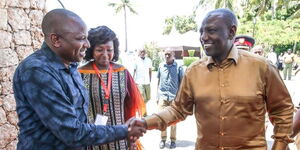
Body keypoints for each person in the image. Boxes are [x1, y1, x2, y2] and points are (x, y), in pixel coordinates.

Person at [133, 8, 294, 150]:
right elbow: (177, 110)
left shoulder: (262, 67)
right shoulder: (194, 72)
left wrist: (280, 146)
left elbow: (283, 111)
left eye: (211, 30)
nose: (203, 37)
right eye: (201, 32)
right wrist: (146, 122)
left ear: (232, 31)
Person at [13, 9, 145, 150]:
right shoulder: (37, 71)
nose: (88, 44)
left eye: (87, 38)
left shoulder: (71, 66)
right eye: (81, 38)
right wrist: (125, 130)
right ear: (56, 40)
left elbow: (80, 119)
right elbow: (72, 132)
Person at [78, 26, 146, 150]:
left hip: (120, 140)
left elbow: (130, 107)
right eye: (100, 50)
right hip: (93, 140)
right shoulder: (80, 73)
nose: (105, 54)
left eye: (109, 50)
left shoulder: (122, 72)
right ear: (91, 50)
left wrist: (132, 140)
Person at [156, 49, 184, 149]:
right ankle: (163, 139)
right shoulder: (161, 66)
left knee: (173, 120)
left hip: (174, 97)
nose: (167, 56)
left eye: (169, 54)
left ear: (173, 55)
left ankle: (173, 140)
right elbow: (158, 81)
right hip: (163, 96)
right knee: (162, 119)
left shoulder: (179, 67)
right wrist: (157, 96)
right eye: (166, 54)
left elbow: (182, 83)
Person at [133, 49, 152, 114]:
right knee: (143, 98)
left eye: (144, 51)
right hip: (139, 82)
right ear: (139, 53)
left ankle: (140, 106)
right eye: (141, 52)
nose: (142, 53)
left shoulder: (149, 60)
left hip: (147, 82)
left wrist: (150, 80)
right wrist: (132, 82)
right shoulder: (136, 60)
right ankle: (144, 113)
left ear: (145, 52)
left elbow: (150, 71)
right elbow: (134, 71)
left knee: (148, 98)